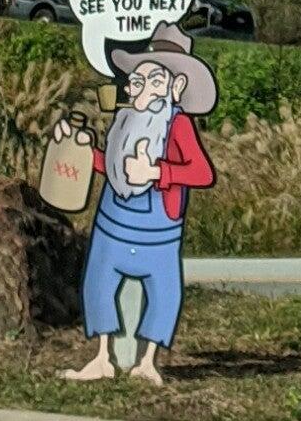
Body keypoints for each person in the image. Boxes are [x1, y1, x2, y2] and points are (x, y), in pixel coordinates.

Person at [55, 21, 216, 385]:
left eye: (156, 81)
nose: (144, 90)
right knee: (98, 282)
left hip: (159, 229)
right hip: (112, 221)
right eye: (138, 81)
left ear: (177, 87)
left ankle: (147, 362)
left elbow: (202, 172)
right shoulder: (124, 120)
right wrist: (79, 149)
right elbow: (113, 167)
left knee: (163, 290)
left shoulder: (178, 125)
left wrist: (158, 172)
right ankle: (102, 358)